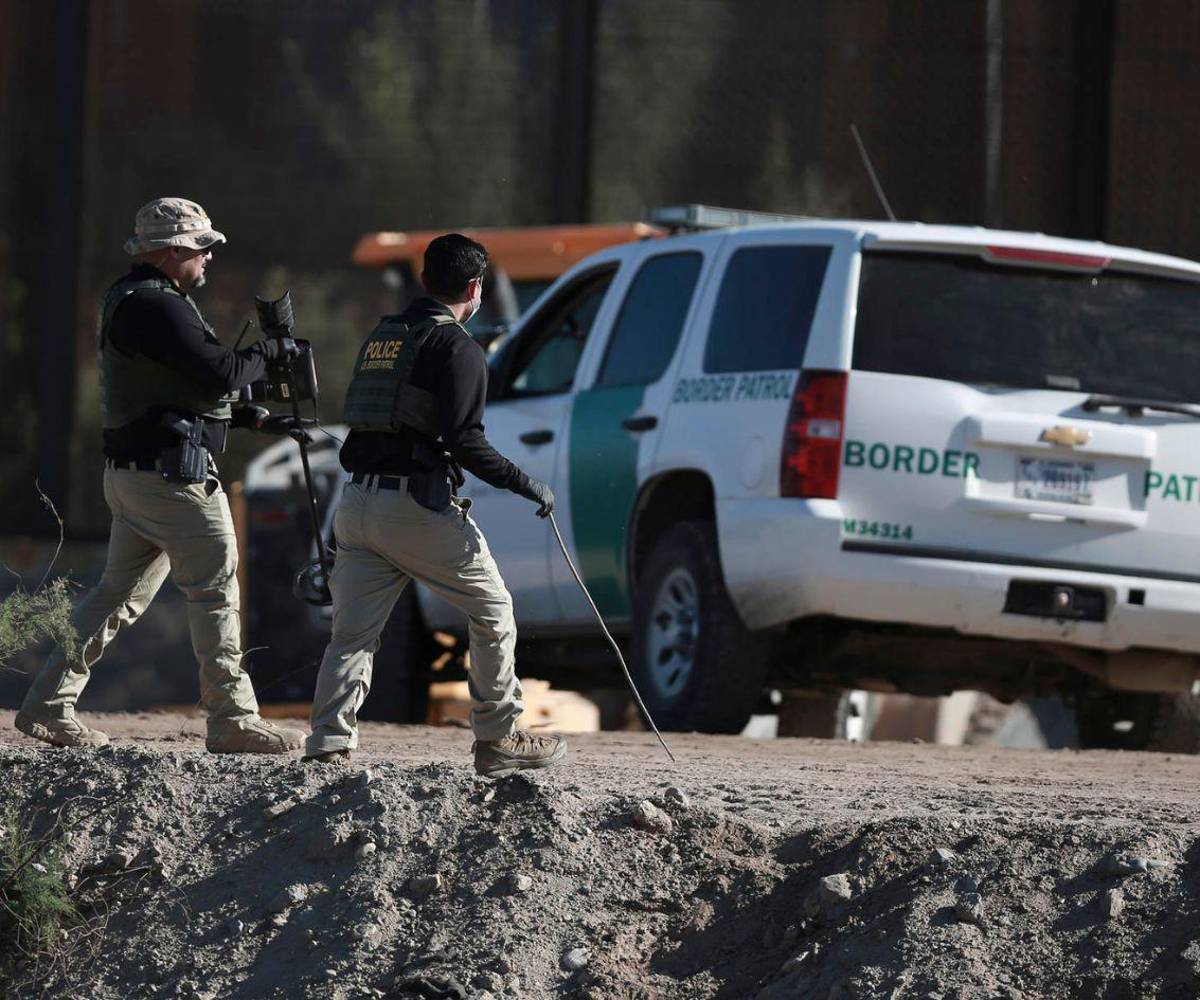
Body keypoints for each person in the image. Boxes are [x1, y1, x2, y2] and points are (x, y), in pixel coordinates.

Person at [15, 197, 304, 754]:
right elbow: (221, 371)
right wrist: (272, 352)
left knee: (114, 596)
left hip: (137, 476)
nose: (208, 259)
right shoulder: (158, 305)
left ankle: (48, 705)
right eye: (202, 248)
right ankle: (231, 718)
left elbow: (174, 388)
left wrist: (248, 416)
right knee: (216, 590)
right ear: (173, 252)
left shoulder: (132, 300)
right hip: (174, 481)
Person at [305, 233, 566, 777]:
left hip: (355, 505)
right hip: (415, 509)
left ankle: (329, 741)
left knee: (352, 635)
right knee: (493, 611)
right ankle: (498, 738)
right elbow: (467, 443)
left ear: (424, 281)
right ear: (475, 288)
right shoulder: (459, 348)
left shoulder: (384, 336)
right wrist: (531, 487)